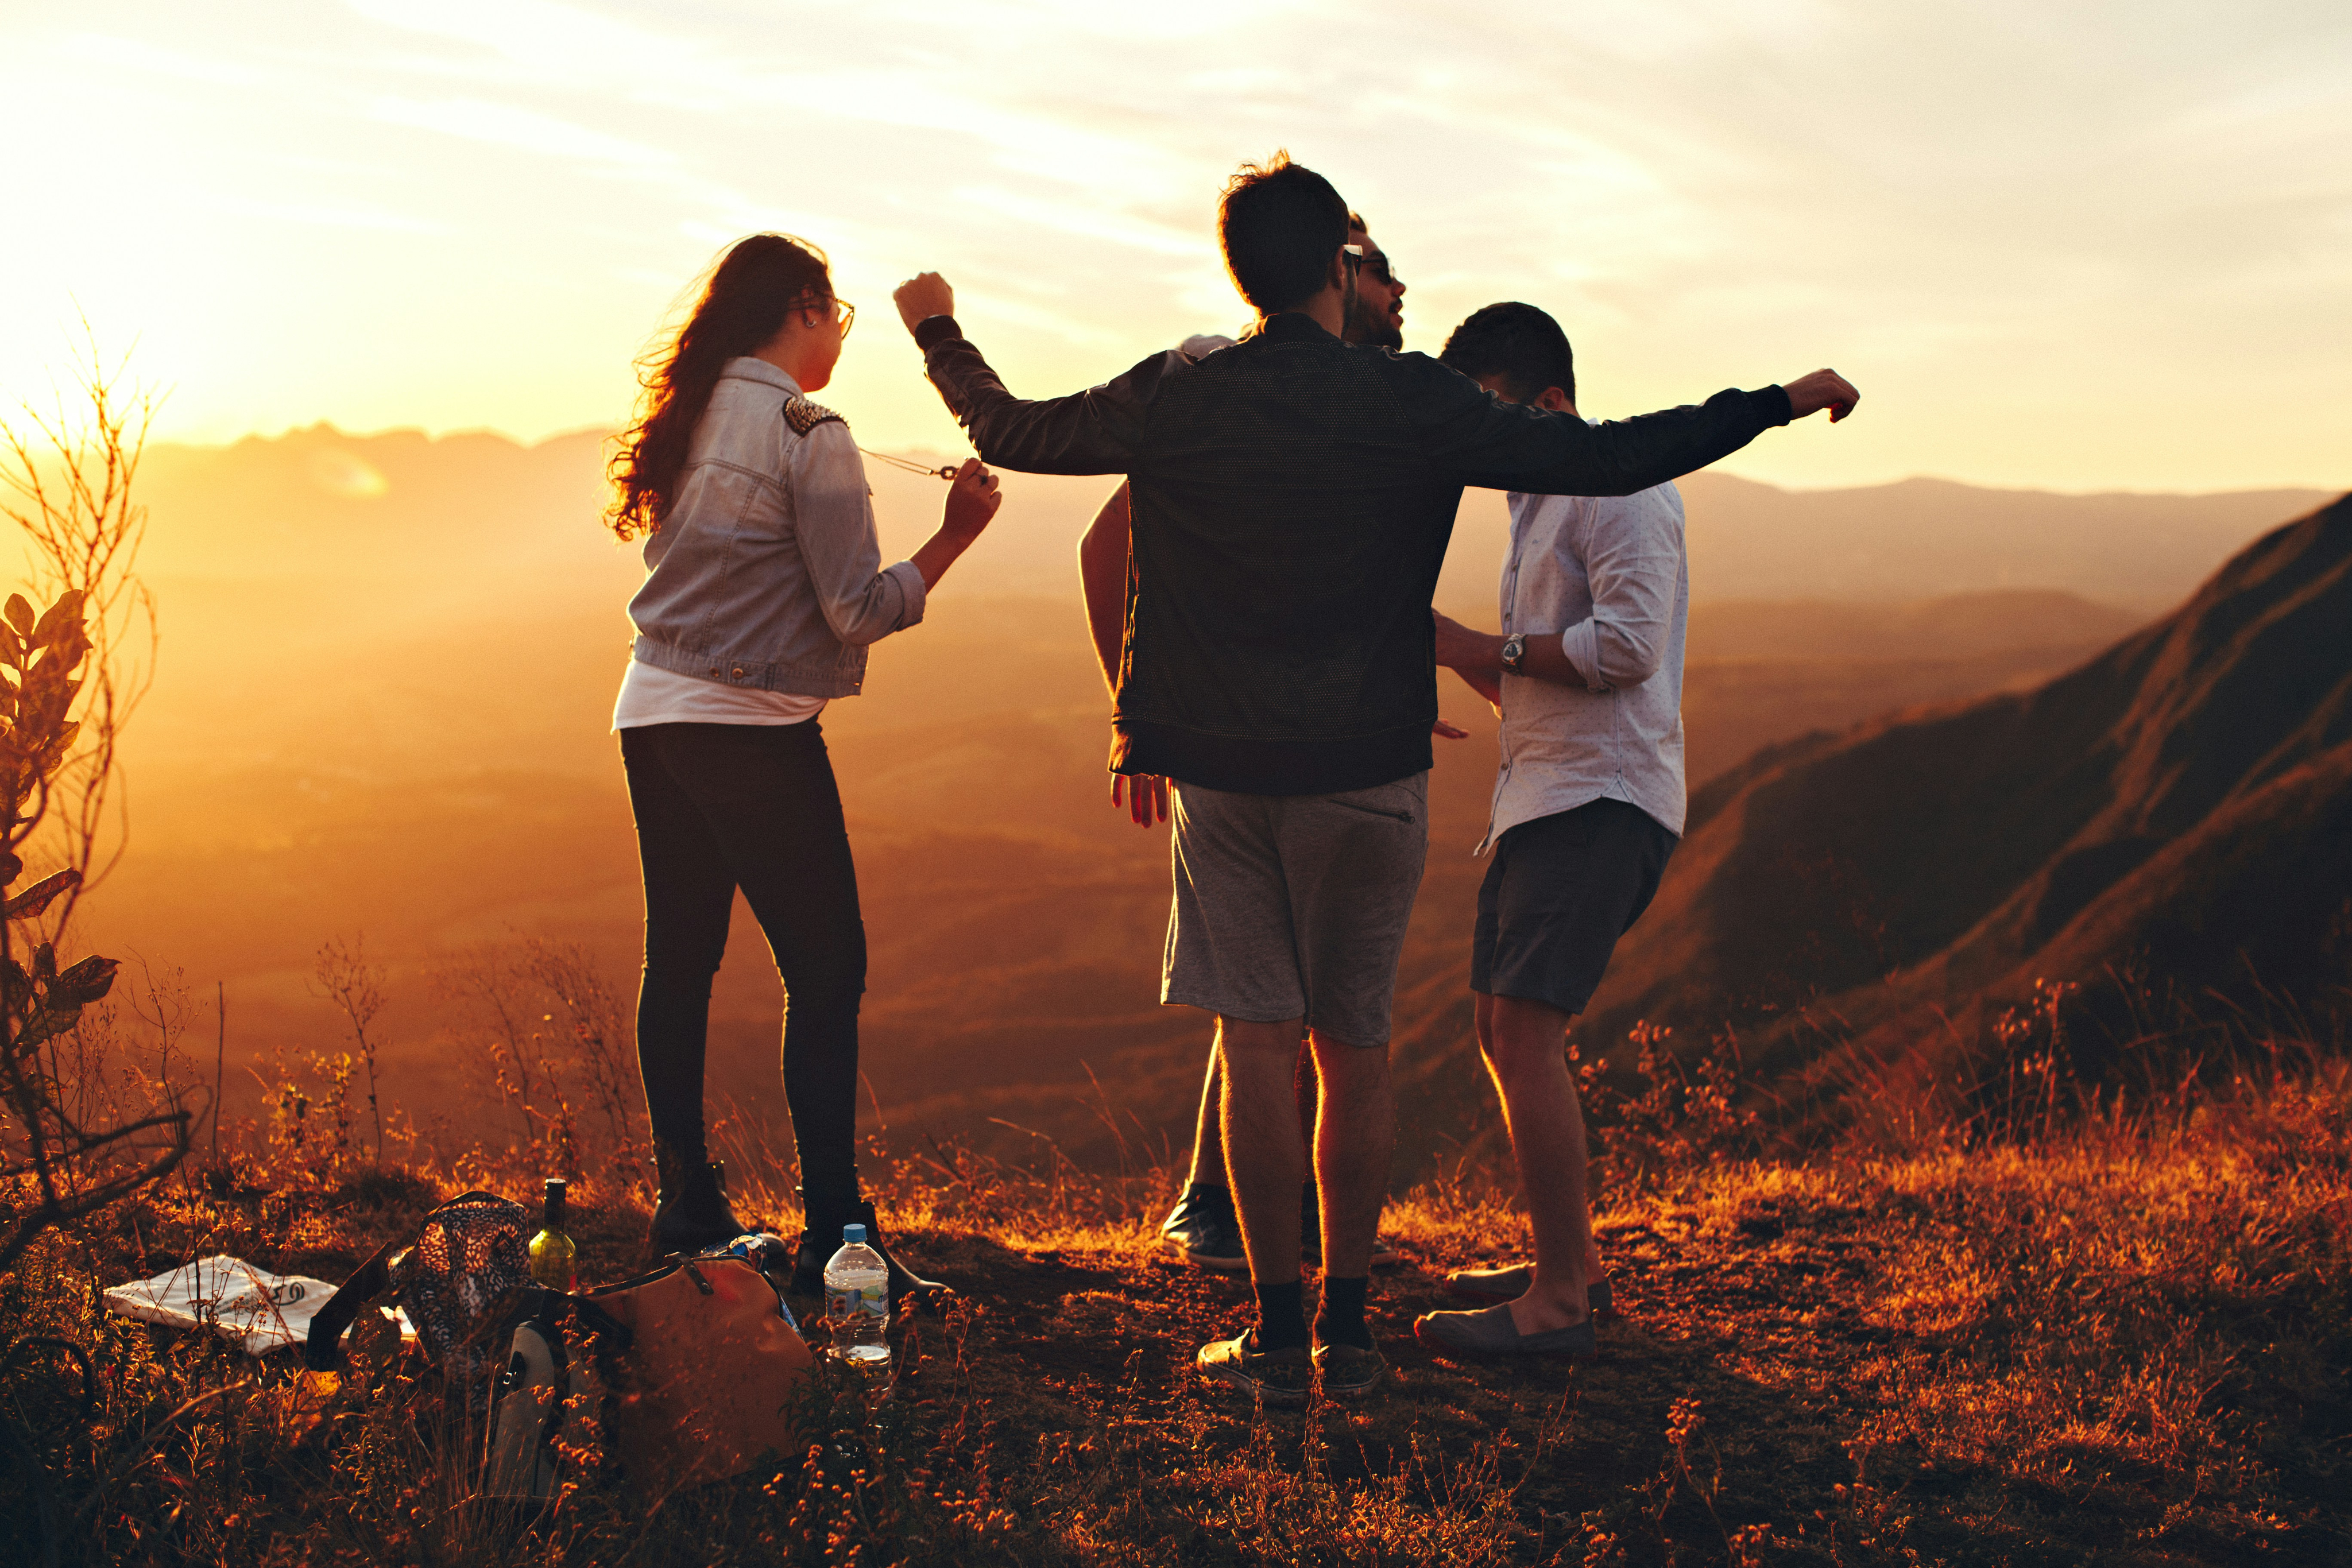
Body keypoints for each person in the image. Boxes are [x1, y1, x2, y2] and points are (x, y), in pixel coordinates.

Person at [893, 153, 1856, 1404]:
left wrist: (937, 332)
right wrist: (1773, 400)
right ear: (1337, 271)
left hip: (1226, 771)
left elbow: (1014, 430)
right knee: (1356, 1050)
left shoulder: (1180, 393)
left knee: (1257, 1048)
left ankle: (1276, 1337)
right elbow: (1614, 455)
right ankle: (1349, 1333)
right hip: (1369, 768)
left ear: (1244, 270)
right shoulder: (1405, 400)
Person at [1413, 302, 1833, 1355]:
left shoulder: (1622, 489)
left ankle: (1557, 1305)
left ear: (1549, 401)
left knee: (1524, 1030)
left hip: (1603, 799)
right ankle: (1573, 1263)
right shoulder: (1535, 501)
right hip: (1547, 792)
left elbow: (1630, 648)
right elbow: (1541, 680)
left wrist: (1477, 641)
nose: (1482, 441)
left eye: (1493, 413)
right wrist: (1450, 653)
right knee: (1496, 1026)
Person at [606, 233, 1003, 1303]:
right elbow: (857, 609)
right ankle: (839, 1236)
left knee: (681, 959)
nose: (840, 339)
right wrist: (956, 535)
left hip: (652, 712)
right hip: (753, 729)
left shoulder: (691, 411)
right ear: (802, 310)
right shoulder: (809, 432)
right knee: (826, 972)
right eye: (838, 318)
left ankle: (686, 1204)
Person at [1088, 217, 1422, 1276]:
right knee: (1286, 1019)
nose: (1399, 286)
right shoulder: (1219, 387)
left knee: (1273, 1011)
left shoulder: (1371, 400)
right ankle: (1239, 1232)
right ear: (1330, 277)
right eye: (1375, 268)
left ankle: (1261, 1261)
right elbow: (1108, 544)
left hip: (1319, 746)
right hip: (1255, 753)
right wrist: (1136, 713)